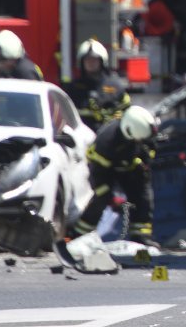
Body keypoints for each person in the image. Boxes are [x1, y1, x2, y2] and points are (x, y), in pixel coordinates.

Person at [68, 105, 160, 247]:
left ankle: (140, 237)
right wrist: (111, 198)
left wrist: (143, 163)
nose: (141, 143)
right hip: (104, 171)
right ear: (129, 132)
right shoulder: (107, 140)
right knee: (101, 198)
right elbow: (97, 174)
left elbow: (150, 149)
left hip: (131, 166)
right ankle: (79, 236)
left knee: (143, 195)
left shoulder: (144, 131)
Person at [64, 39, 131, 132]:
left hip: (109, 135)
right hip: (81, 135)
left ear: (102, 61)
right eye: (87, 59)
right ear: (82, 62)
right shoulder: (73, 87)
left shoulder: (115, 86)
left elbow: (126, 110)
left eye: (94, 59)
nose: (90, 63)